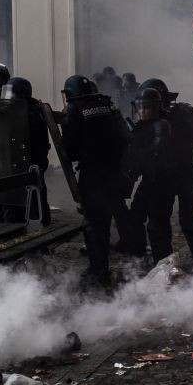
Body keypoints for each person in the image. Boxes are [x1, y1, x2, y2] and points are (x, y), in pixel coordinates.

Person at [58, 74, 130, 289]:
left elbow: (68, 150)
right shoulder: (107, 105)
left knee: (93, 224)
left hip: (93, 175)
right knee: (106, 220)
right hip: (115, 172)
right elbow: (126, 137)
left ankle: (99, 273)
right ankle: (101, 267)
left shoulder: (73, 110)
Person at [139, 78, 193, 268]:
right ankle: (173, 264)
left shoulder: (181, 112)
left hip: (176, 175)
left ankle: (185, 263)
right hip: (171, 175)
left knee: (176, 221)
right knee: (165, 221)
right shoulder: (154, 119)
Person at [120, 88, 173, 264]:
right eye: (140, 107)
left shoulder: (161, 125)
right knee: (134, 219)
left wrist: (134, 146)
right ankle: (138, 260)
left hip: (161, 183)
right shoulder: (141, 127)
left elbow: (155, 153)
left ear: (156, 108)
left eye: (147, 107)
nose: (142, 111)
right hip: (149, 182)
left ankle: (163, 265)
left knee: (157, 226)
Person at [0, 76, 52, 225]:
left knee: (20, 205)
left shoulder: (26, 112)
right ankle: (41, 228)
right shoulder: (35, 109)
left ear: (21, 94)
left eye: (11, 93)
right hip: (33, 164)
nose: (8, 97)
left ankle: (22, 234)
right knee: (38, 200)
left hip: (24, 164)